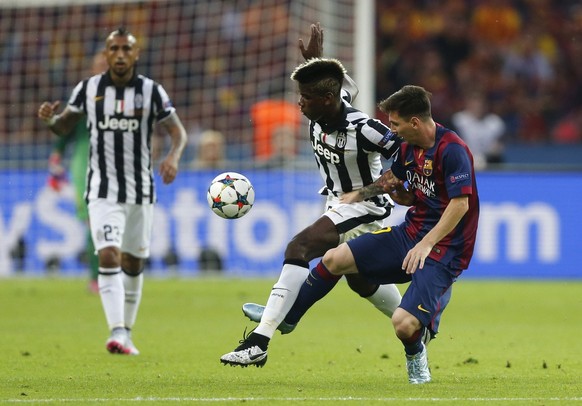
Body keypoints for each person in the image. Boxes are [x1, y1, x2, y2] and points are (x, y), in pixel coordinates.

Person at [239, 85, 479, 384]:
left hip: (444, 248)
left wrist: (427, 244)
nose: (391, 131)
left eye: (395, 124)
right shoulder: (408, 148)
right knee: (335, 258)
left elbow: (460, 205)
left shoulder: (452, 150)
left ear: (414, 122)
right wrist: (360, 194)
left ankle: (416, 352)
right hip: (411, 232)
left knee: (403, 325)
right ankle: (287, 318)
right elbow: (393, 180)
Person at [220, 23, 403, 367]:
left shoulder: (364, 128)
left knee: (298, 247)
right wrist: (316, 59)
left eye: (306, 99)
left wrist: (378, 187)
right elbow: (332, 81)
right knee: (359, 280)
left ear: (327, 100)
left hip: (364, 206)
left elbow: (407, 156)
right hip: (336, 201)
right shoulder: (326, 106)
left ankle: (261, 339)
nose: (300, 104)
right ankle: (417, 321)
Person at [37, 27, 187, 355]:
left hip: (141, 191)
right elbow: (64, 125)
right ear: (106, 54)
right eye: (113, 48)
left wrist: (172, 157)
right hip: (101, 189)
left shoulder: (151, 91)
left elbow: (178, 132)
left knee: (133, 264)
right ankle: (116, 331)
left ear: (136, 54)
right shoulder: (88, 89)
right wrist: (51, 120)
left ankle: (127, 332)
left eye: (126, 49)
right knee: (108, 253)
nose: (119, 54)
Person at [46, 53, 109, 294]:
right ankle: (96, 278)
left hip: (117, 167)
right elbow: (66, 129)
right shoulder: (84, 97)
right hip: (86, 165)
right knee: (94, 222)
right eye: (99, 65)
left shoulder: (128, 98)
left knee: (113, 223)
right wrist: (56, 156)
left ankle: (112, 274)